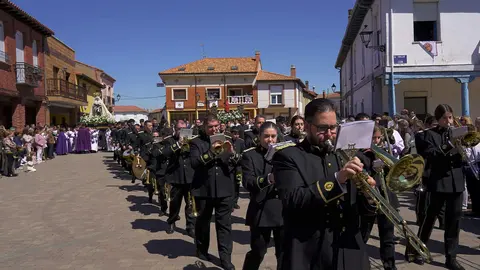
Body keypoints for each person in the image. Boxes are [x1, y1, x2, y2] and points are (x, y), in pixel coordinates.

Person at [271, 98, 375, 270]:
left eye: (333, 127)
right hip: (309, 253)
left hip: (349, 251)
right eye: (322, 128)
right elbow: (292, 200)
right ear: (306, 125)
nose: (329, 134)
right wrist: (337, 180)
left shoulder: (345, 154)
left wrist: (369, 196)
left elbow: (361, 209)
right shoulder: (288, 157)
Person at [412, 104, 466, 270]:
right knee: (429, 218)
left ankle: (451, 258)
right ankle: (418, 250)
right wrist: (450, 144)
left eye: (450, 117)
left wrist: (464, 147)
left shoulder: (458, 133)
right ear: (438, 118)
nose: (448, 121)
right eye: (444, 118)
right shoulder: (428, 135)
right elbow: (431, 155)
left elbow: (463, 158)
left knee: (453, 222)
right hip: (438, 182)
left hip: (456, 182)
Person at [189, 114, 240, 270]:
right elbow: (194, 163)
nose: (214, 129)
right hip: (203, 189)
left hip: (224, 189)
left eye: (216, 125)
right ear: (204, 127)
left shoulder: (227, 140)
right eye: (210, 126)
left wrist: (231, 153)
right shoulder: (196, 142)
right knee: (203, 223)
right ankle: (202, 250)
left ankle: (225, 258)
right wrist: (211, 152)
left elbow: (237, 162)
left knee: (224, 225)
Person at [241, 121, 284, 270]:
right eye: (266, 136)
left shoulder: (284, 153)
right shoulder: (250, 155)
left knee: (284, 253)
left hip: (283, 209)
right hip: (261, 210)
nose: (270, 140)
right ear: (259, 137)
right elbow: (248, 182)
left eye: (273, 136)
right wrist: (268, 179)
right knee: (258, 252)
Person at [358, 125, 398, 270]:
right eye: (373, 138)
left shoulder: (385, 153)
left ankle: (390, 265)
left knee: (388, 236)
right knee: (364, 234)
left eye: (378, 138)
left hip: (386, 197)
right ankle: (359, 263)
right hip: (369, 200)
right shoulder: (360, 154)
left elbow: (394, 174)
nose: (376, 141)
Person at [161, 120, 196, 237]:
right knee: (175, 203)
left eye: (184, 129)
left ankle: (190, 226)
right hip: (175, 177)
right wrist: (178, 144)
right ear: (175, 129)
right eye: (180, 129)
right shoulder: (169, 140)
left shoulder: (191, 140)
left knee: (190, 203)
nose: (182, 131)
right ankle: (171, 221)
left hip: (190, 177)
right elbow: (164, 153)